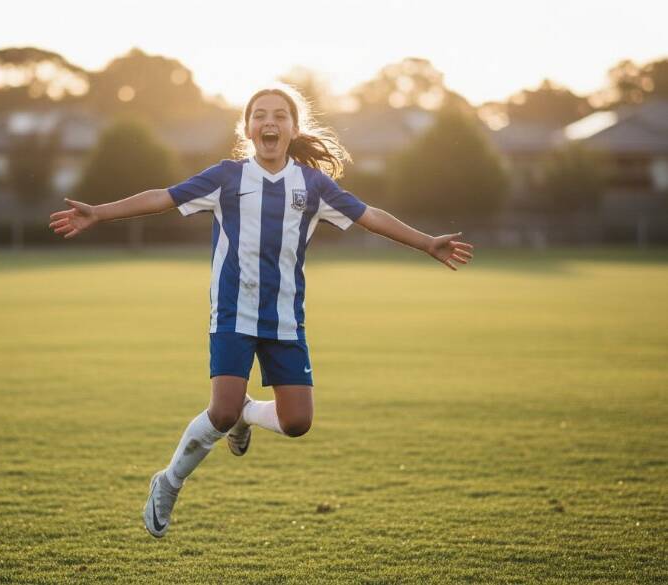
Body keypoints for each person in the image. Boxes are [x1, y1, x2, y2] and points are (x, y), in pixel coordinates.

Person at [48, 85, 474, 538]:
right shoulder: (227, 178)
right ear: (247, 128)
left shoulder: (313, 186)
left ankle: (249, 414)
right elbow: (162, 197)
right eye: (260, 115)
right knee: (220, 411)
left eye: (280, 116)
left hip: (285, 319)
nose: (269, 122)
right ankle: (169, 482)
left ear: (293, 128)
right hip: (232, 312)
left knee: (297, 423)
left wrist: (427, 242)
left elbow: (371, 215)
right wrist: (99, 212)